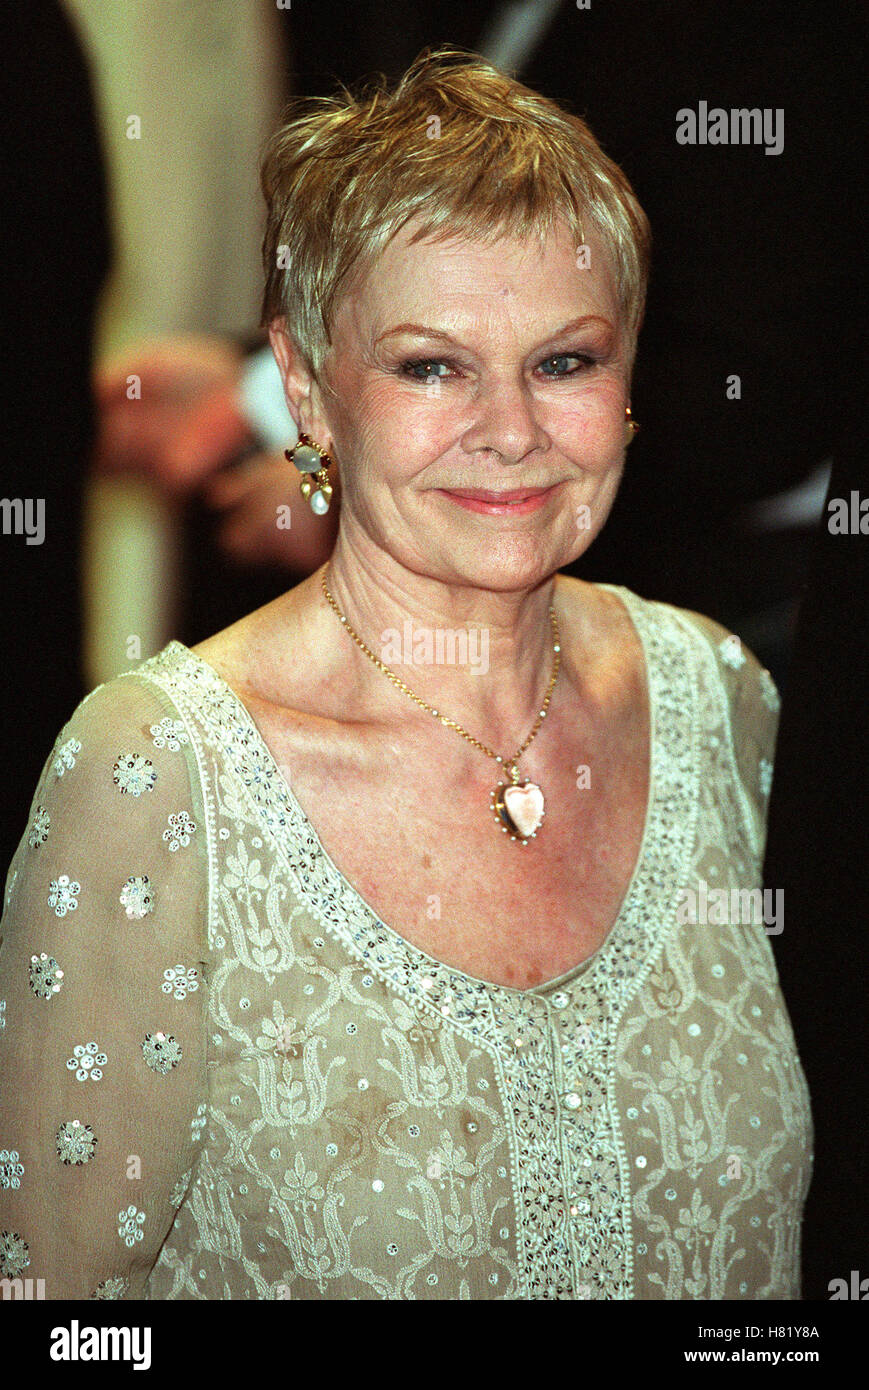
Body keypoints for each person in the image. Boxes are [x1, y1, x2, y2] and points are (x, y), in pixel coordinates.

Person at [0, 49, 811, 1301]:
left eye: (565, 362)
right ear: (312, 390)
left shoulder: (720, 699)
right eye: (430, 365)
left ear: (632, 381)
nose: (511, 429)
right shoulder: (156, 775)